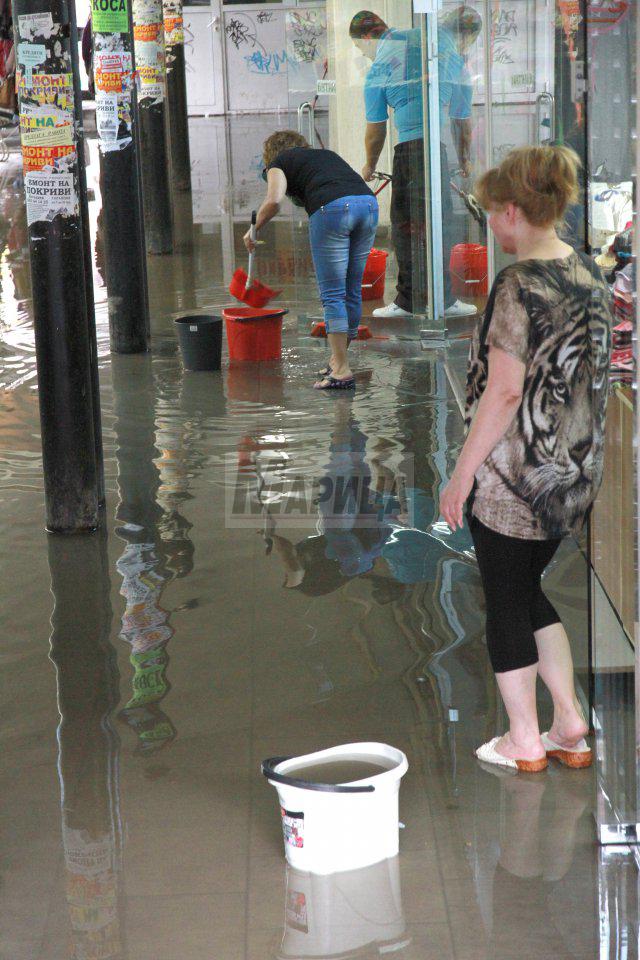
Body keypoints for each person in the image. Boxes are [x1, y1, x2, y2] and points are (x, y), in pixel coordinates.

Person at [439, 145, 612, 771]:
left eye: (493, 213)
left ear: (514, 210)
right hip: (574, 475)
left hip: (518, 479)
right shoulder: (586, 269)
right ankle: (569, 723)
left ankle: (524, 739)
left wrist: (462, 476)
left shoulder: (519, 284)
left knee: (505, 602)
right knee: (527, 588)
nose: (490, 224)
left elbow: (506, 391)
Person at [350, 6, 481, 320]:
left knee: (406, 227)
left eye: (360, 48)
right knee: (440, 222)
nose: (364, 54)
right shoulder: (442, 50)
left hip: (408, 151)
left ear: (368, 37)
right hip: (437, 151)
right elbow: (461, 120)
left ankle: (408, 304)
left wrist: (368, 165)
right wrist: (464, 160)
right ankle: (445, 299)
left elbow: (376, 128)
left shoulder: (382, 62)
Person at [245, 131, 378, 390]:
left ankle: (341, 369)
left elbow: (274, 200)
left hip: (332, 210)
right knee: (351, 291)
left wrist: (253, 230)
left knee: (333, 294)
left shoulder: (278, 163)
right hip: (368, 205)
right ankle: (338, 360)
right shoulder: (324, 155)